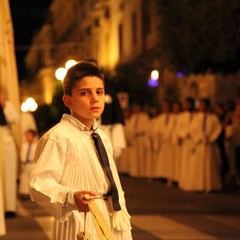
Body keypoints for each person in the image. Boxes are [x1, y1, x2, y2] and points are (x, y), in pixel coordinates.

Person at [29, 61, 132, 240]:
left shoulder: (102, 136)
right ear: (68, 100)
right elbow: (40, 184)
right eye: (85, 93)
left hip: (112, 215)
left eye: (99, 92)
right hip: (79, 219)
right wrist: (71, 198)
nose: (95, 98)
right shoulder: (59, 137)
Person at [0, 86, 19, 218]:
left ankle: (10, 207)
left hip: (6, 140)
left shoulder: (7, 106)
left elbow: (15, 119)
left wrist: (3, 106)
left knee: (9, 174)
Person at [19, 129, 38, 197]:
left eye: (30, 136)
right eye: (27, 136)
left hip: (32, 164)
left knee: (32, 179)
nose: (28, 137)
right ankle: (24, 193)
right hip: (25, 164)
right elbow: (22, 154)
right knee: (24, 179)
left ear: (33, 136)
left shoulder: (36, 145)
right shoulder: (24, 145)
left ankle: (32, 194)